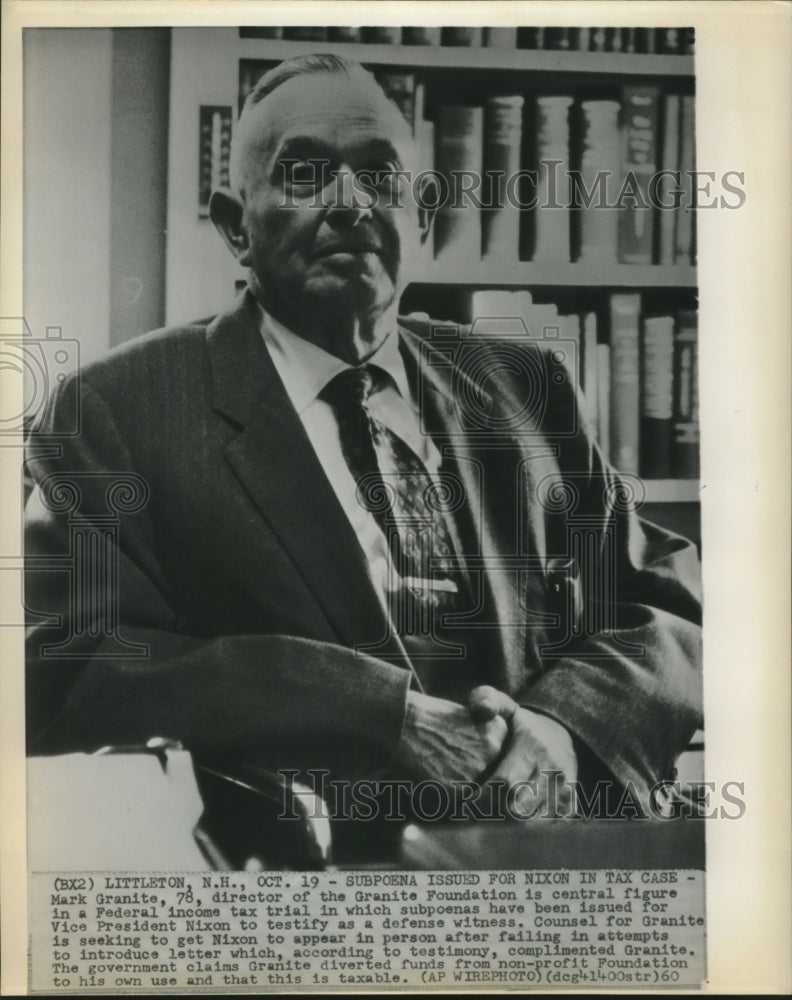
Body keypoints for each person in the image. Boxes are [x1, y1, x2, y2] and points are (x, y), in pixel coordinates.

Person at [25, 54, 702, 829]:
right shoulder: (120, 408)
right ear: (236, 226)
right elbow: (65, 671)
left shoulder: (523, 386)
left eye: (382, 177)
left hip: (537, 859)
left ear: (423, 218)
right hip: (297, 877)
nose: (351, 203)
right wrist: (380, 714)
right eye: (305, 174)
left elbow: (671, 607)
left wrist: (562, 731)